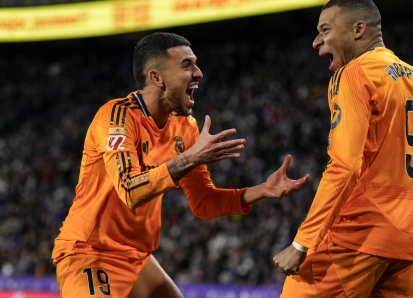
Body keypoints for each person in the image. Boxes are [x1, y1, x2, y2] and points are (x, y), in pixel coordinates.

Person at [52, 32, 309, 298]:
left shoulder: (185, 127)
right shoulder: (117, 116)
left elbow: (204, 202)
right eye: (187, 65)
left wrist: (260, 190)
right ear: (156, 77)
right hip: (89, 250)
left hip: (136, 256)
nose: (198, 73)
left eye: (195, 64)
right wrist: (190, 158)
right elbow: (129, 190)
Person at [273, 0, 413, 297]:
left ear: (358, 29)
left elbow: (345, 166)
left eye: (325, 30)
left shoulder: (355, 73)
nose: (316, 40)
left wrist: (301, 243)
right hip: (411, 250)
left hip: (355, 242)